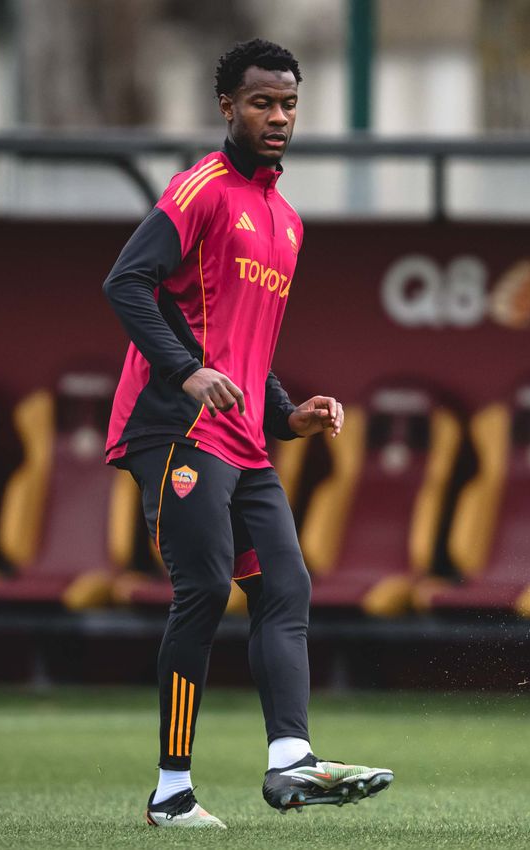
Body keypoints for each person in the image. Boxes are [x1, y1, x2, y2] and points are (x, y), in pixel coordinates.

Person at [102, 38, 393, 829]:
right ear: (227, 106)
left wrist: (288, 413)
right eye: (262, 102)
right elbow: (126, 283)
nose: (278, 117)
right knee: (202, 591)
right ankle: (171, 793)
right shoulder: (199, 189)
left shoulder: (287, 223)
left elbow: (243, 350)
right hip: (174, 426)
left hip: (242, 436)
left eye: (289, 104)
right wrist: (186, 372)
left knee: (286, 585)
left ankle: (290, 763)